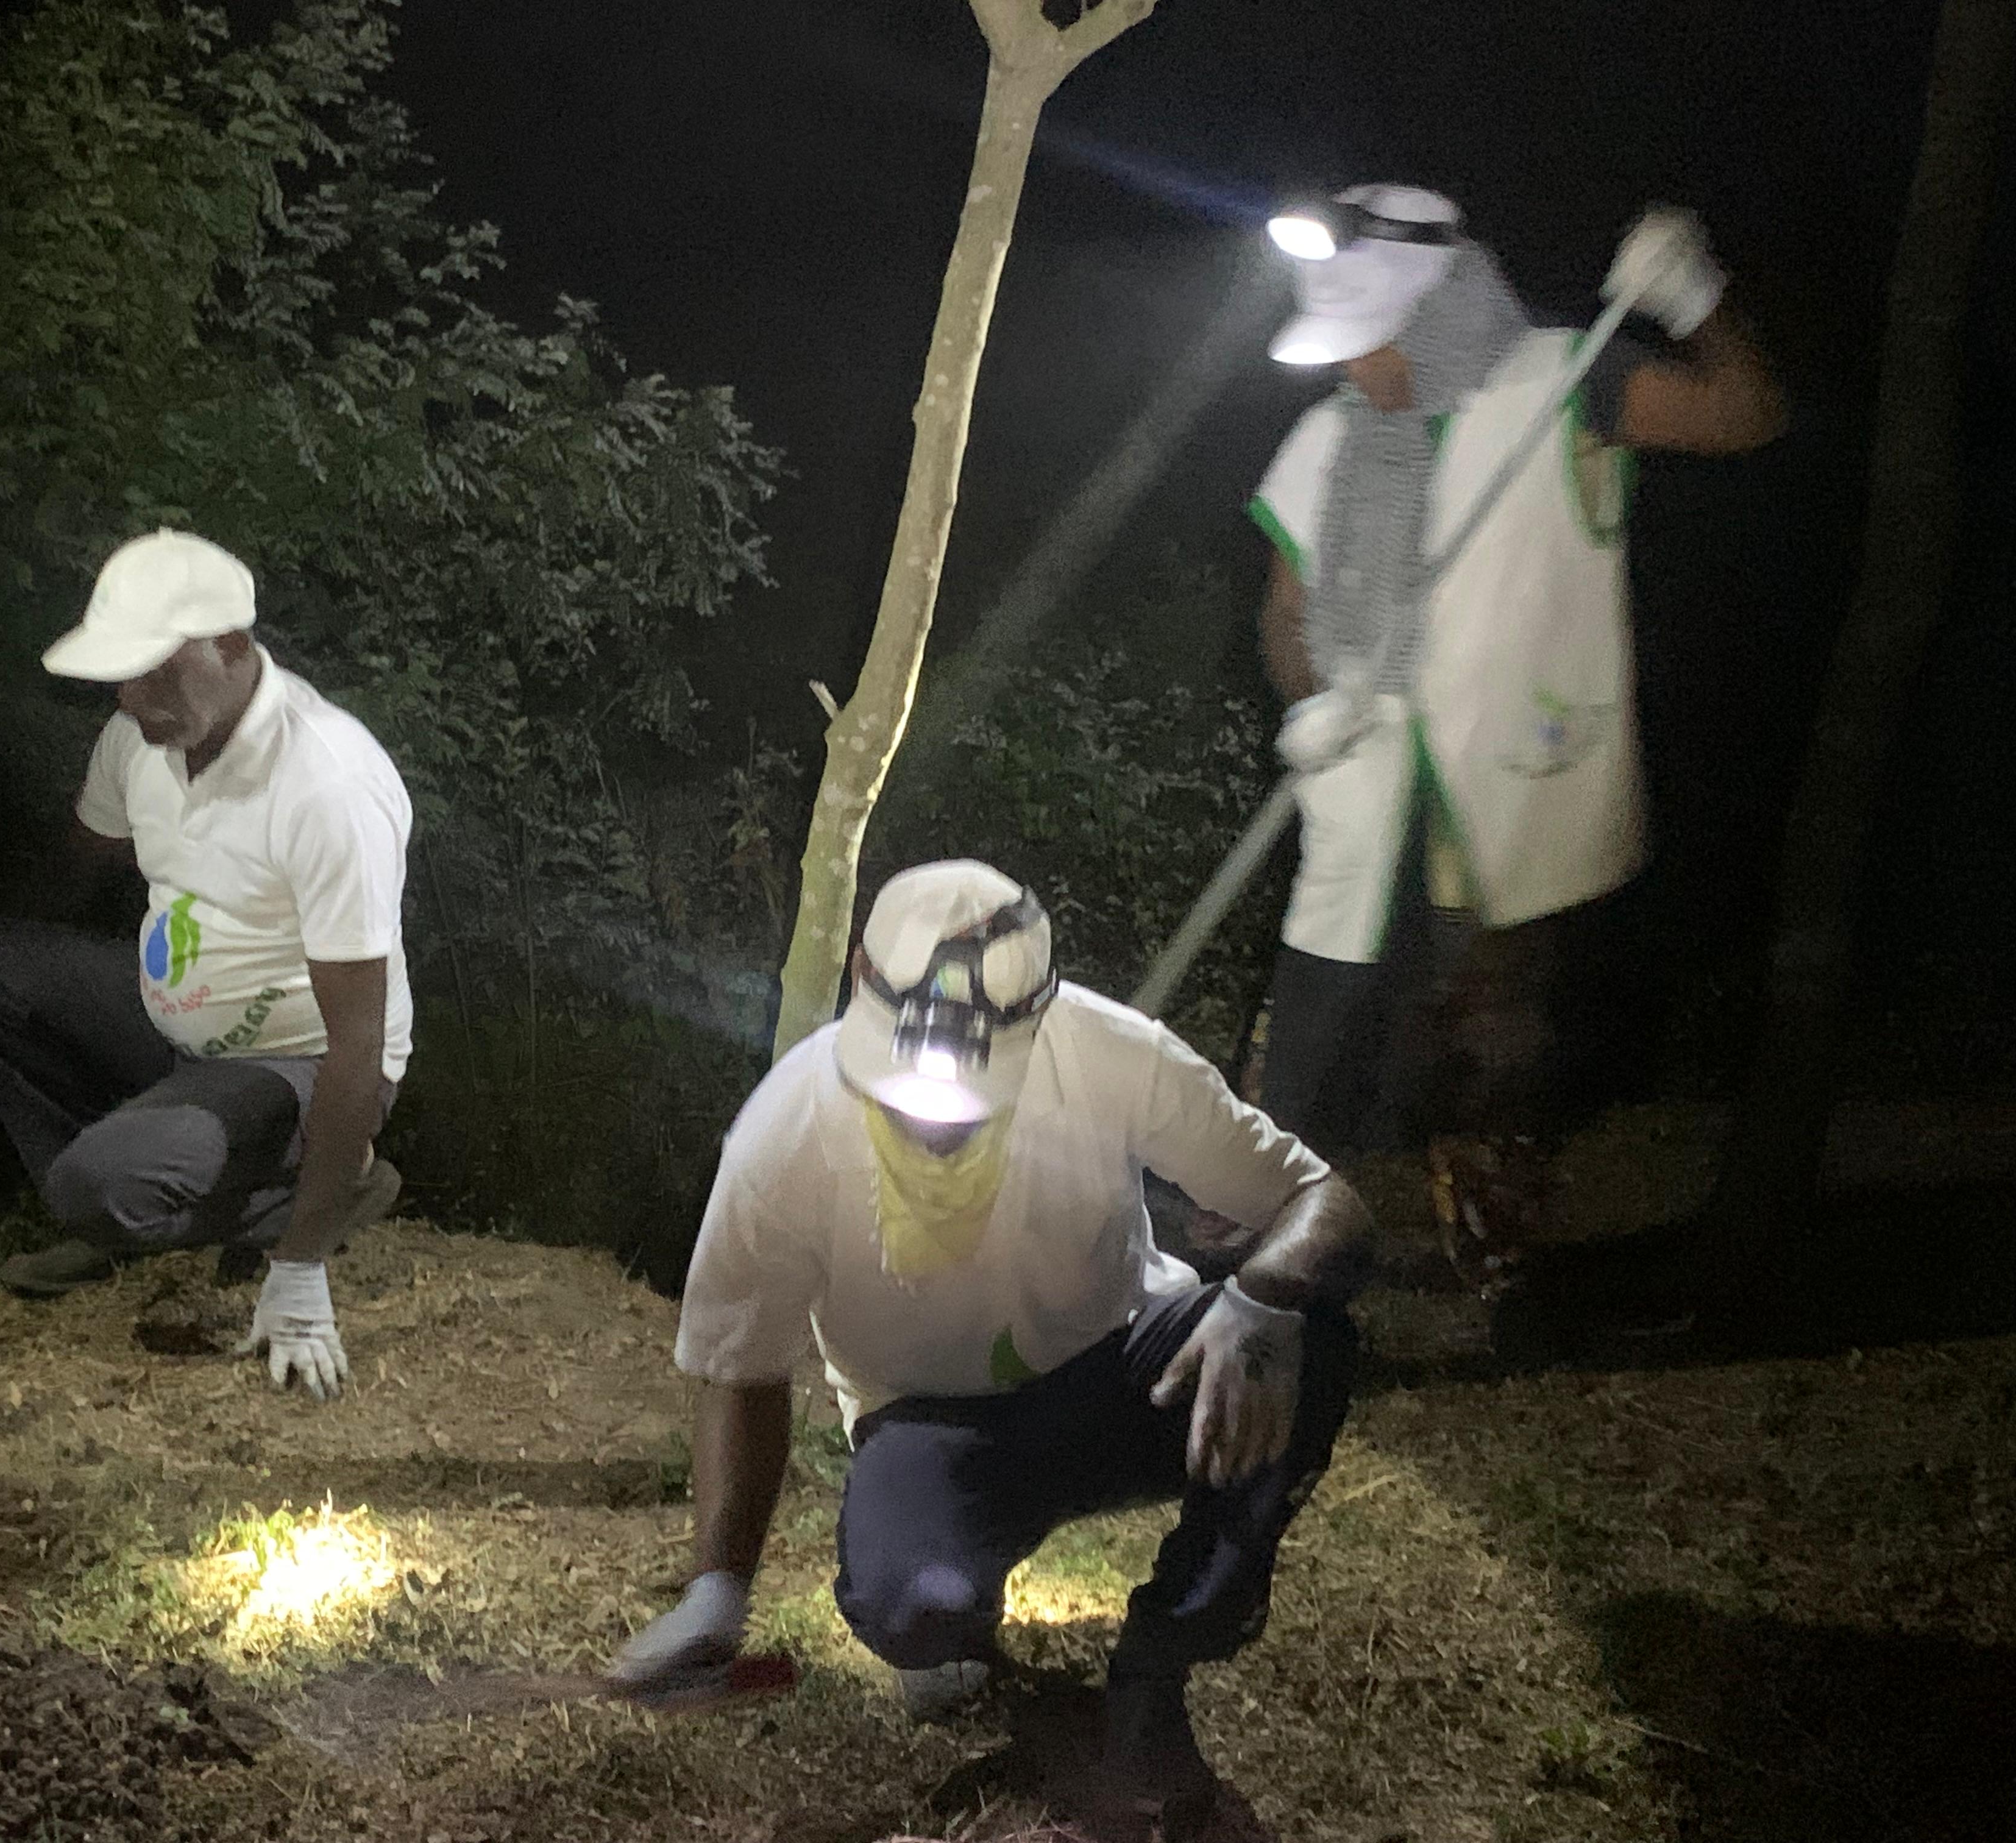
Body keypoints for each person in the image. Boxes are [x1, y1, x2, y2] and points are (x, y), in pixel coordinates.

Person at [611, 860, 1371, 1832]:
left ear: (1042, 1015)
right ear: (861, 981)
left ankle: (1159, 1665)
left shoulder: (1110, 1053)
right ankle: (966, 1642)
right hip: (929, 1422)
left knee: (1314, 1345)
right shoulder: (788, 1128)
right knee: (909, 1602)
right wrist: (718, 1590)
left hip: (1125, 1369)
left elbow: (1326, 1202)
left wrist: (1263, 1297)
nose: (933, 1128)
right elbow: (743, 1364)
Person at [1245, 187, 1785, 1270]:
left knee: (1493, 1044)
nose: (1356, 368)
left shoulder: (1566, 387)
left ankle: (1493, 1267)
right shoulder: (1327, 440)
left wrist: (1696, 299)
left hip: (1510, 790)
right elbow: (1284, 611)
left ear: (1439, 308)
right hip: (1364, 803)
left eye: (1372, 340)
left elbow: (1747, 412)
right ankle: (1249, 1234)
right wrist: (1310, 702)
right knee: (1309, 1031)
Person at [0, 528, 413, 1398]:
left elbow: (359, 1040)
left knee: (93, 1184)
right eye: (121, 674)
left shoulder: (328, 784)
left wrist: (301, 1271)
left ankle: (327, 1190)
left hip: (299, 1060)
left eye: (155, 671)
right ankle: (123, 1217)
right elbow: (77, 867)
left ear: (232, 645)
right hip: (177, 1023)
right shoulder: (137, 740)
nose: (131, 697)